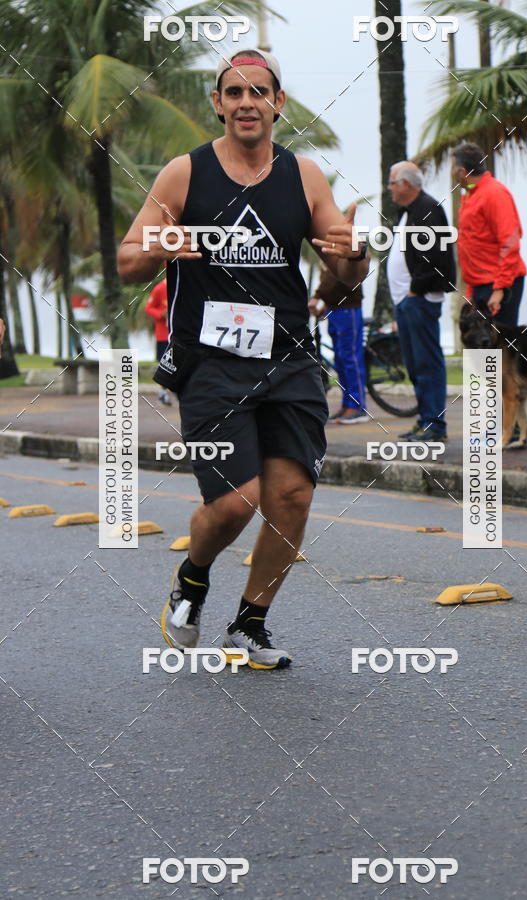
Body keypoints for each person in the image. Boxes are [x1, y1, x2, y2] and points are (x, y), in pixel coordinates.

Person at [117, 48, 369, 669]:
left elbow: (342, 281)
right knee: (236, 501)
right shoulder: (186, 174)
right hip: (210, 363)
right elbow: (127, 263)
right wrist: (164, 243)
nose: (247, 103)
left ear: (278, 103)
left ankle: (250, 623)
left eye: (259, 92)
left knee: (293, 497)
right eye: (234, 92)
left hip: (288, 358)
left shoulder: (304, 177)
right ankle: (192, 579)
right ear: (219, 104)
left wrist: (354, 256)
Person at [452, 142, 527, 446]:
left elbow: (510, 241)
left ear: (461, 170)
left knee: (499, 359)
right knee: (481, 361)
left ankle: (513, 431)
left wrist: (499, 288)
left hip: (501, 283)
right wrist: (472, 293)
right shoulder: (470, 196)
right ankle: (494, 428)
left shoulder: (494, 193)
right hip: (480, 287)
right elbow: (472, 249)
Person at [386, 161, 456, 442]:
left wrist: (416, 288)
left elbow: (435, 254)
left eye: (392, 183)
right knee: (415, 364)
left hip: (420, 299)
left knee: (427, 362)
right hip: (406, 300)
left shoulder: (428, 208)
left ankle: (434, 424)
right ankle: (425, 418)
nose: (389, 188)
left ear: (405, 184)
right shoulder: (409, 211)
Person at [309, 262, 368, 423]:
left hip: (348, 308)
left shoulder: (342, 246)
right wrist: (326, 304)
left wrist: (316, 297)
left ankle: (358, 406)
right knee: (341, 360)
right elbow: (327, 278)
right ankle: (347, 404)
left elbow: (337, 278)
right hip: (334, 309)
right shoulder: (327, 246)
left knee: (350, 358)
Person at [144, 279, 171, 405]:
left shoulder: (185, 284)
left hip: (180, 333)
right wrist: (161, 314)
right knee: (165, 364)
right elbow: (148, 308)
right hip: (164, 335)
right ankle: (163, 393)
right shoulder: (160, 288)